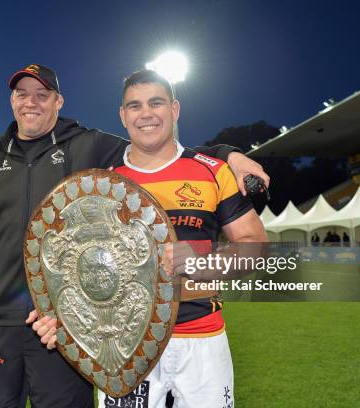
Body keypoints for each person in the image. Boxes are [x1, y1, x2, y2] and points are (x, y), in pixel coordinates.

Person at [0, 63, 270, 408]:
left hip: (146, 333)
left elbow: (160, 147)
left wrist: (226, 154)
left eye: (42, 94)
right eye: (22, 94)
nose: (31, 102)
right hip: (25, 330)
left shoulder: (91, 148)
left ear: (58, 101)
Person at [33, 70, 268, 408]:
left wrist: (203, 260)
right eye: (134, 105)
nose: (145, 114)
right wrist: (58, 315)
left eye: (155, 103)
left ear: (174, 109)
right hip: (125, 348)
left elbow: (255, 246)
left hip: (201, 339)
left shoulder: (212, 171)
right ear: (122, 115)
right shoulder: (102, 186)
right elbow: (75, 265)